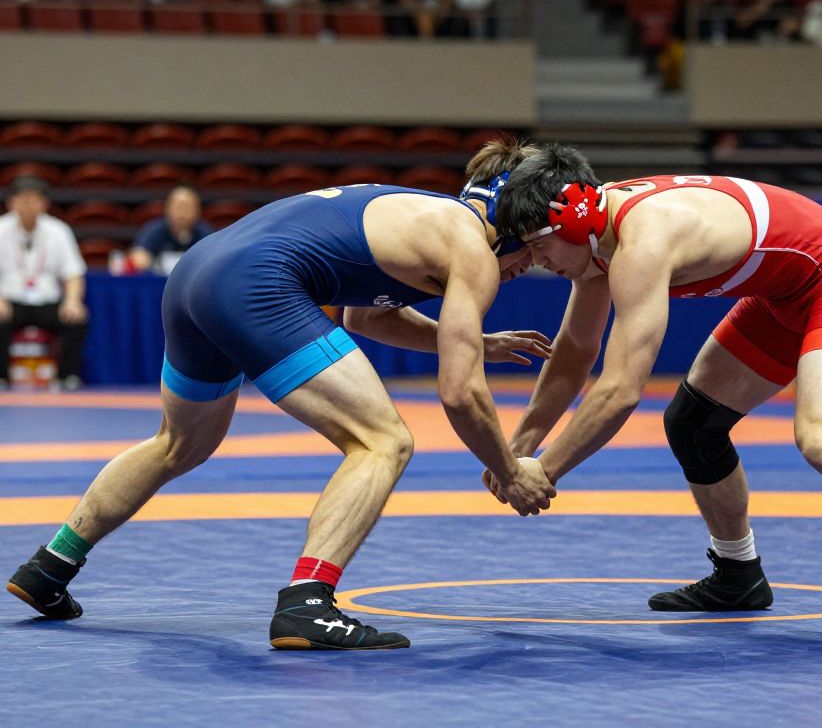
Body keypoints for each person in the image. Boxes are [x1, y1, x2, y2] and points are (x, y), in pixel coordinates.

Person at [6, 138, 556, 651]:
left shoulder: (425, 216)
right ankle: (306, 604)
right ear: (517, 224)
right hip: (256, 283)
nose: (531, 264)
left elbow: (367, 317)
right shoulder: (472, 247)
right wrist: (509, 471)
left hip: (196, 275)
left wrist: (476, 342)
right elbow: (460, 394)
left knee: (177, 443)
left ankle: (51, 566)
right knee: (382, 441)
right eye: (533, 251)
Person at [484, 144, 822, 645]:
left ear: (575, 220)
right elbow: (575, 352)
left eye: (538, 244)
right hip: (784, 294)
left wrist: (545, 472)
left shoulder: (644, 240)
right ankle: (737, 573)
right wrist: (517, 450)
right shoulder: (599, 237)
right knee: (693, 423)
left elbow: (620, 389)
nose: (535, 260)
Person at [0, 175, 88, 392]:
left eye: (34, 199)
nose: (28, 205)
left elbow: (73, 273)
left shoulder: (58, 231)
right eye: (22, 199)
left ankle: (66, 376)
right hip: (10, 301)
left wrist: (72, 301)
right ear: (11, 202)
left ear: (44, 203)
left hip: (47, 301)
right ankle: (1, 377)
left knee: (77, 318)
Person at [130, 185, 214, 276]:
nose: (182, 212)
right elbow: (138, 255)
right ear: (167, 208)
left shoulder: (207, 235)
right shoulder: (153, 230)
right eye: (178, 207)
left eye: (187, 207)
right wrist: (142, 259)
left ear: (198, 211)